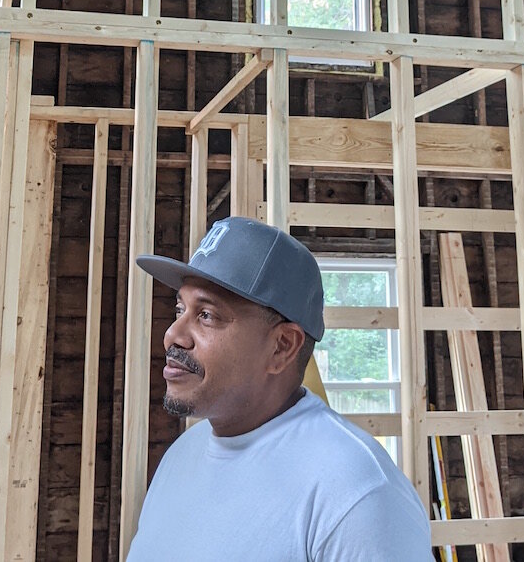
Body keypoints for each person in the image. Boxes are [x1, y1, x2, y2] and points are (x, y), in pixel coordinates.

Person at [127, 216, 432, 561]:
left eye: (207, 315)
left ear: (282, 347)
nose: (172, 335)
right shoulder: (181, 455)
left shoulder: (357, 496)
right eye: (180, 309)